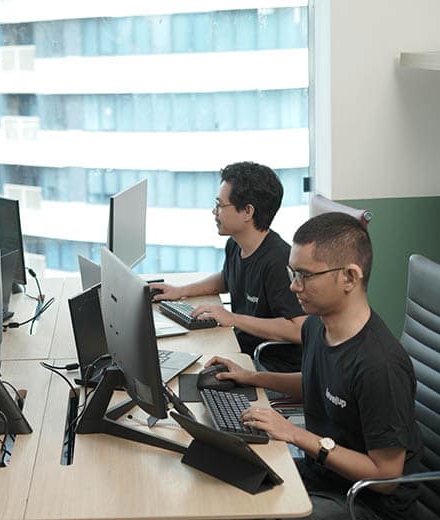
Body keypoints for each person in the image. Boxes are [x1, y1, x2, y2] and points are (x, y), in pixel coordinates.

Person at [206, 212, 423, 520]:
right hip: (322, 475)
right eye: (292, 273)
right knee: (222, 476)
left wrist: (295, 435)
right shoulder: (316, 328)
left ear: (349, 277)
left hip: (365, 503)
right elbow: (317, 382)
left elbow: (386, 477)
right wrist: (251, 377)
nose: (294, 287)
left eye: (304, 276)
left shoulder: (379, 365)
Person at [152, 161, 305, 371]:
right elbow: (227, 278)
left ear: (247, 212)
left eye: (220, 205)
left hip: (268, 364)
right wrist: (181, 291)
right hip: (240, 347)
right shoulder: (235, 243)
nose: (214, 212)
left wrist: (232, 318)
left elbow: (298, 328)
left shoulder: (279, 261)